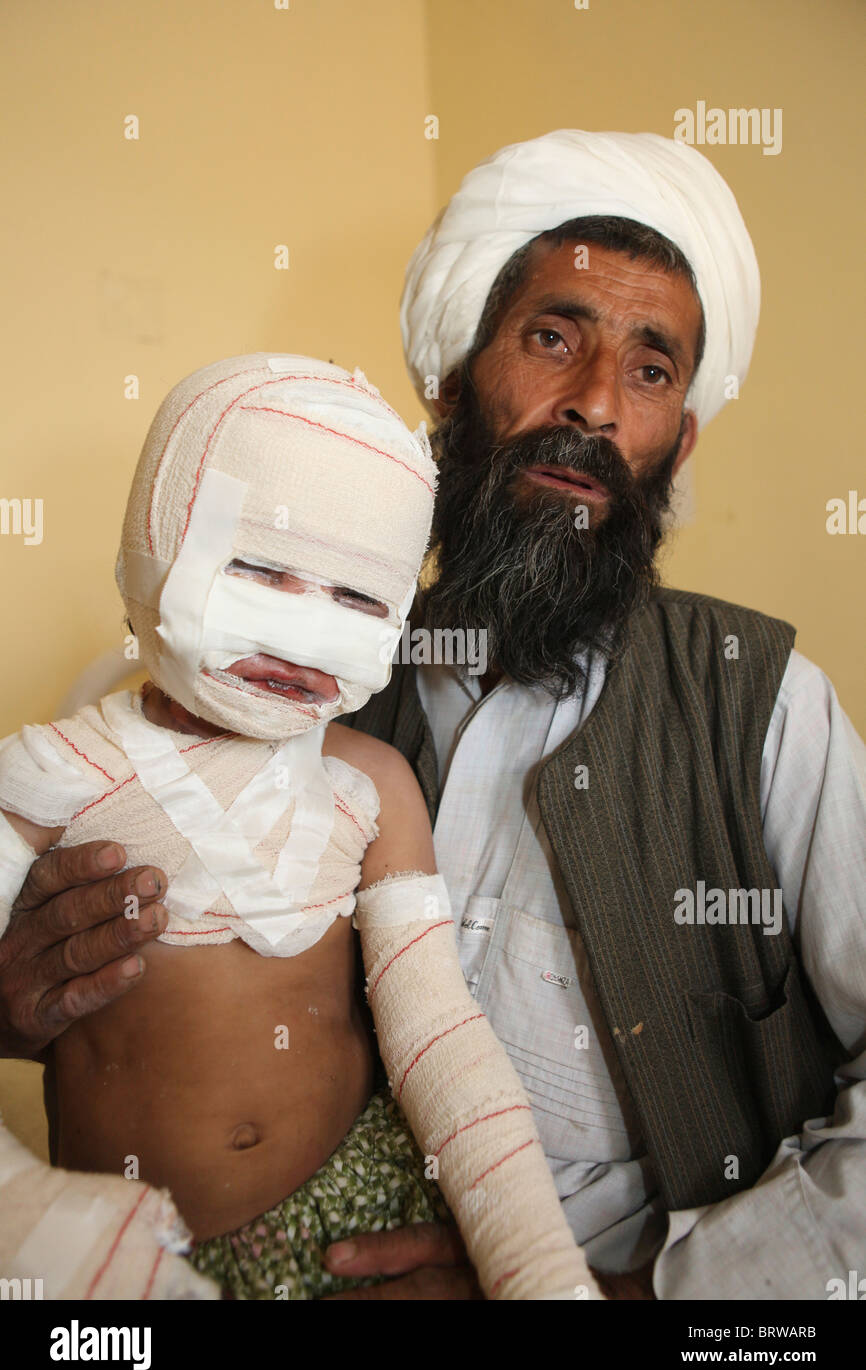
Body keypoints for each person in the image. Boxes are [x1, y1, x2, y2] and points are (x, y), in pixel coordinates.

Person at [2, 131, 864, 1302]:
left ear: (681, 441)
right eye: (553, 336)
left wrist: (635, 1298)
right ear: (453, 380)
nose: (596, 404)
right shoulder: (282, 694)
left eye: (651, 370)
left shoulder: (761, 710)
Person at [0, 353, 598, 1301]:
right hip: (126, 1256)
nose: (304, 635)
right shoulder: (50, 778)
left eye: (358, 597)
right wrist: (35, 1226)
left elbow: (438, 1035)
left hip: (363, 1206)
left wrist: (541, 1276)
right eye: (259, 572)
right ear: (162, 543)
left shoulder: (374, 788)